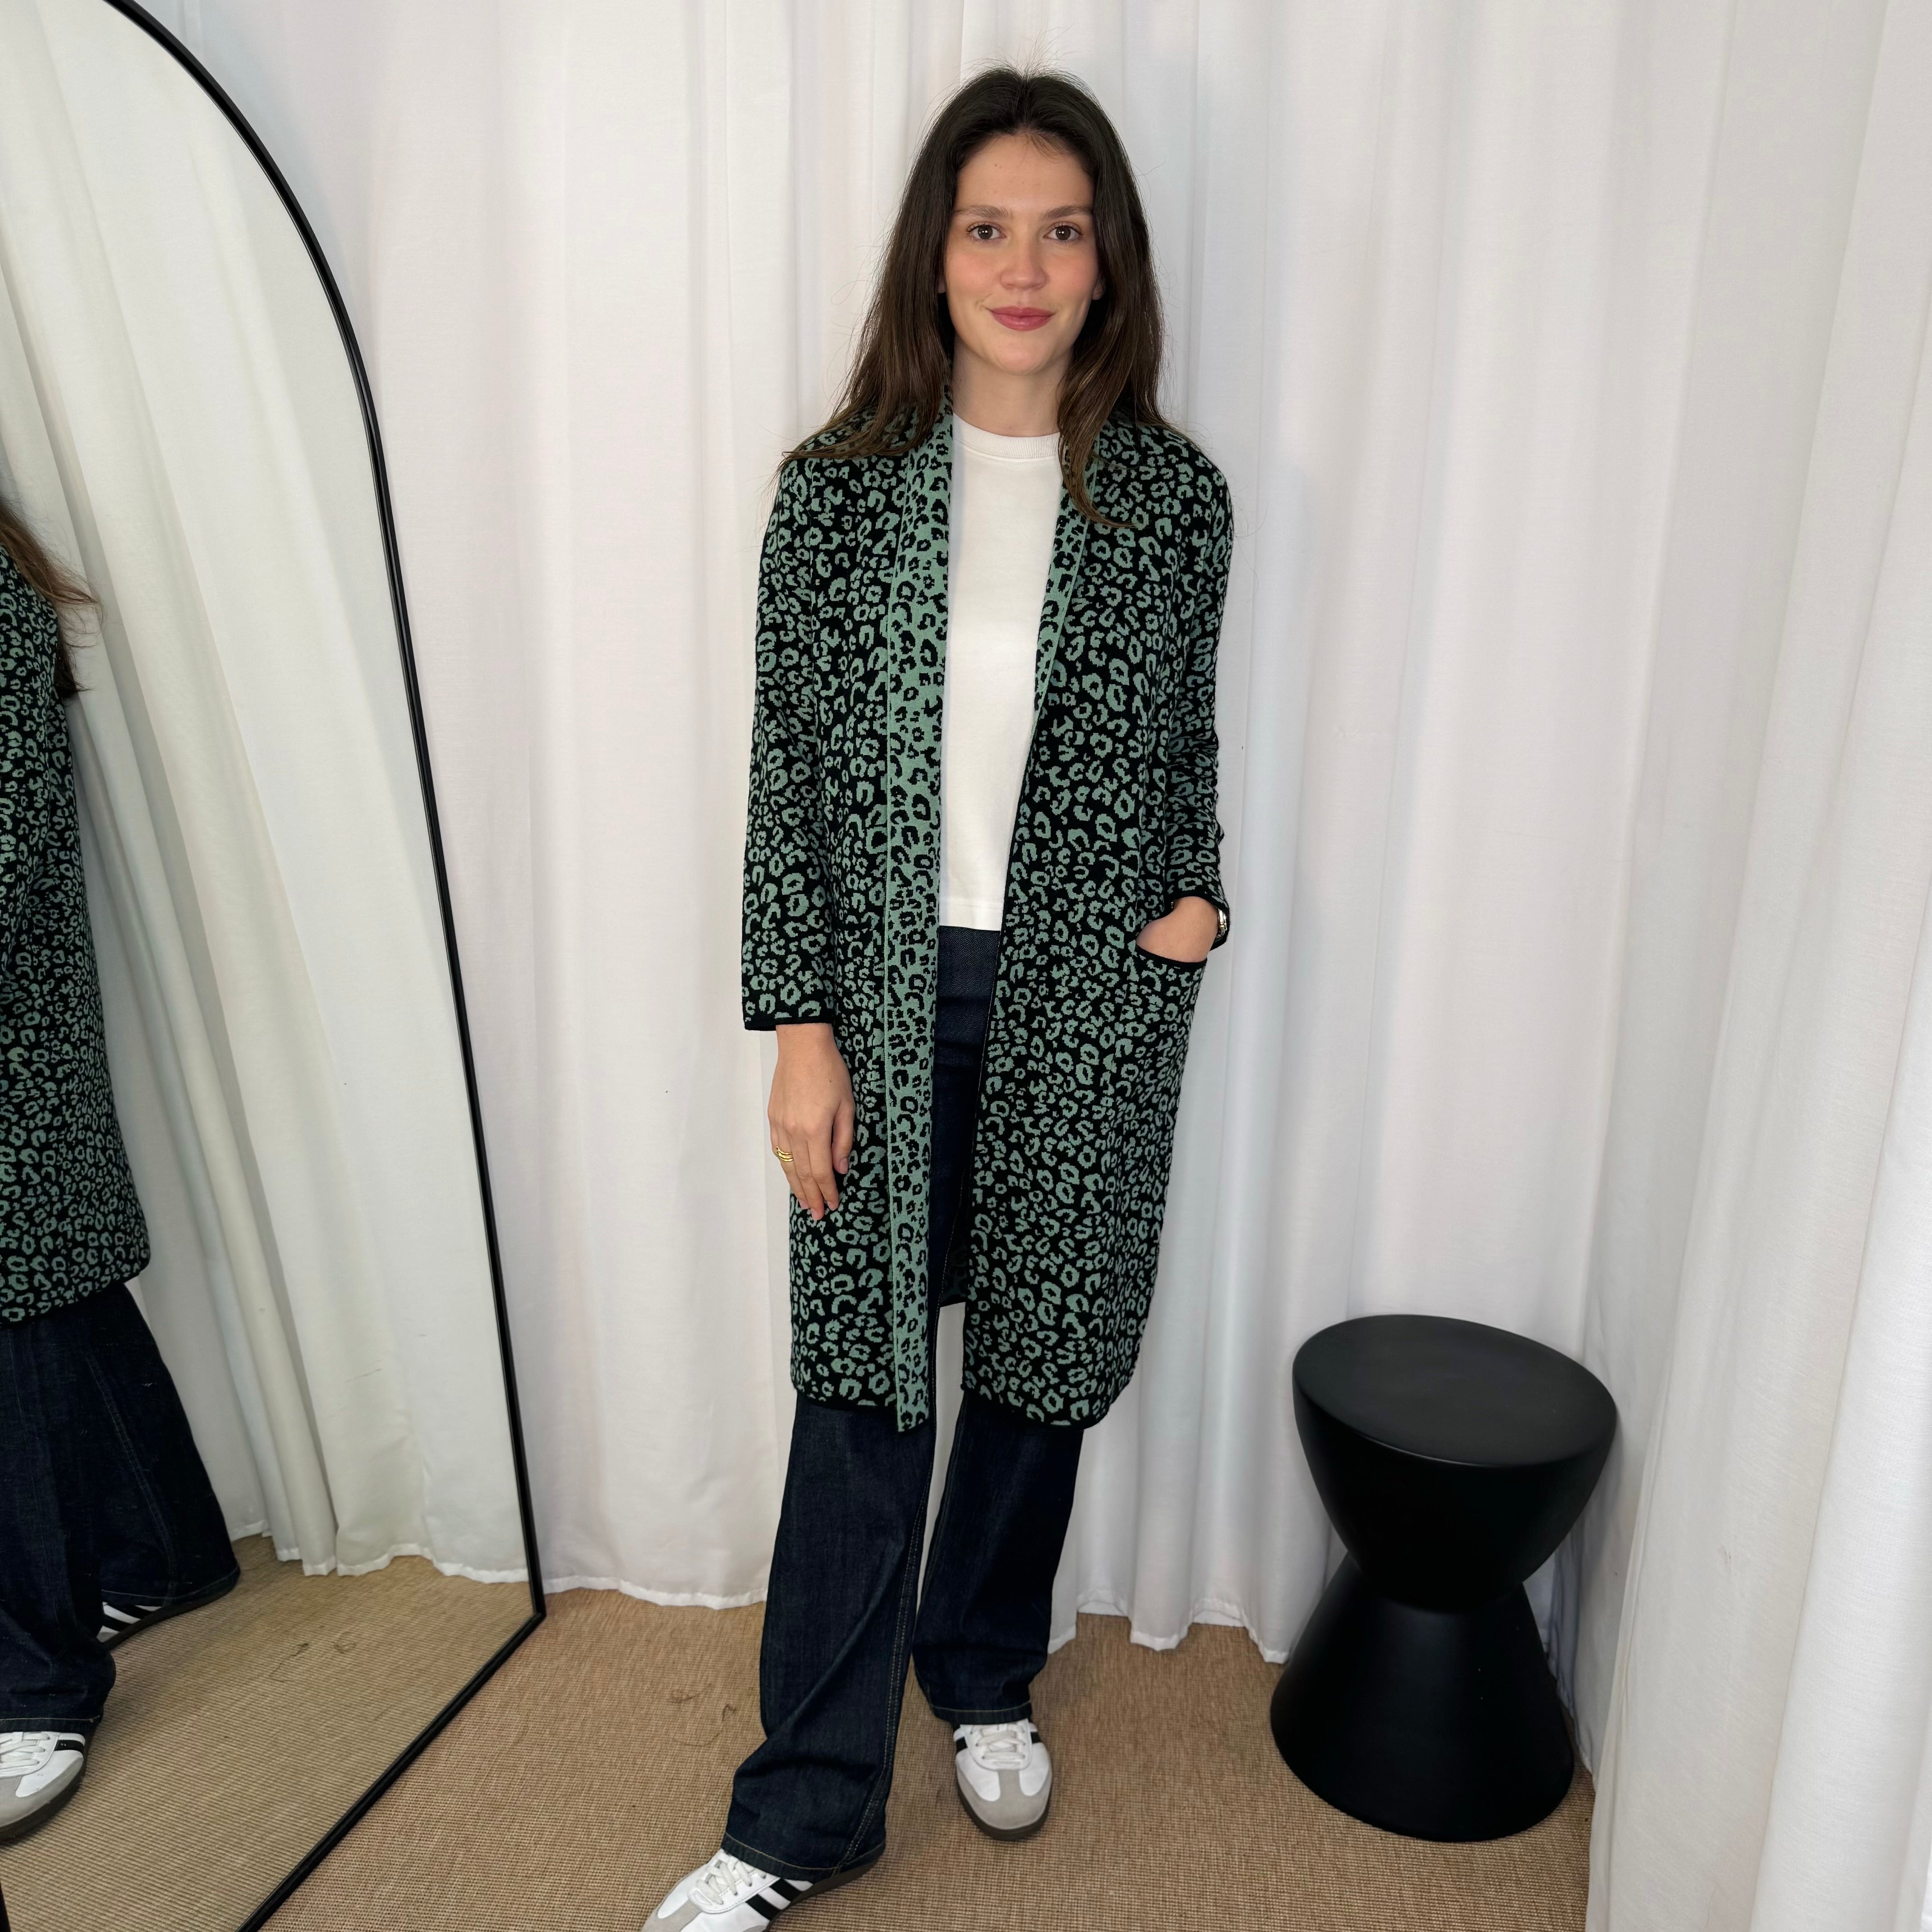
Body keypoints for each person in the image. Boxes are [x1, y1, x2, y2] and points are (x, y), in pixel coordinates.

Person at [651, 66, 1234, 1928]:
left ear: (1107, 260)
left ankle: (981, 1665)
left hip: (1090, 992)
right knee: (864, 1389)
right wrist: (801, 1030)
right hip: (889, 1001)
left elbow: (1181, 742)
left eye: (1063, 230)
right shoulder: (837, 498)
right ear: (936, 252)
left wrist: (1195, 899)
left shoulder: (1171, 500)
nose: (1024, 266)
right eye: (989, 227)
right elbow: (790, 784)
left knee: (1044, 1364)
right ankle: (801, 1811)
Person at [0, 501, 238, 1845]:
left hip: (14, 1047)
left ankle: (33, 1689)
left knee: (18, 1331)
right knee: (56, 1305)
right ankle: (167, 1550)